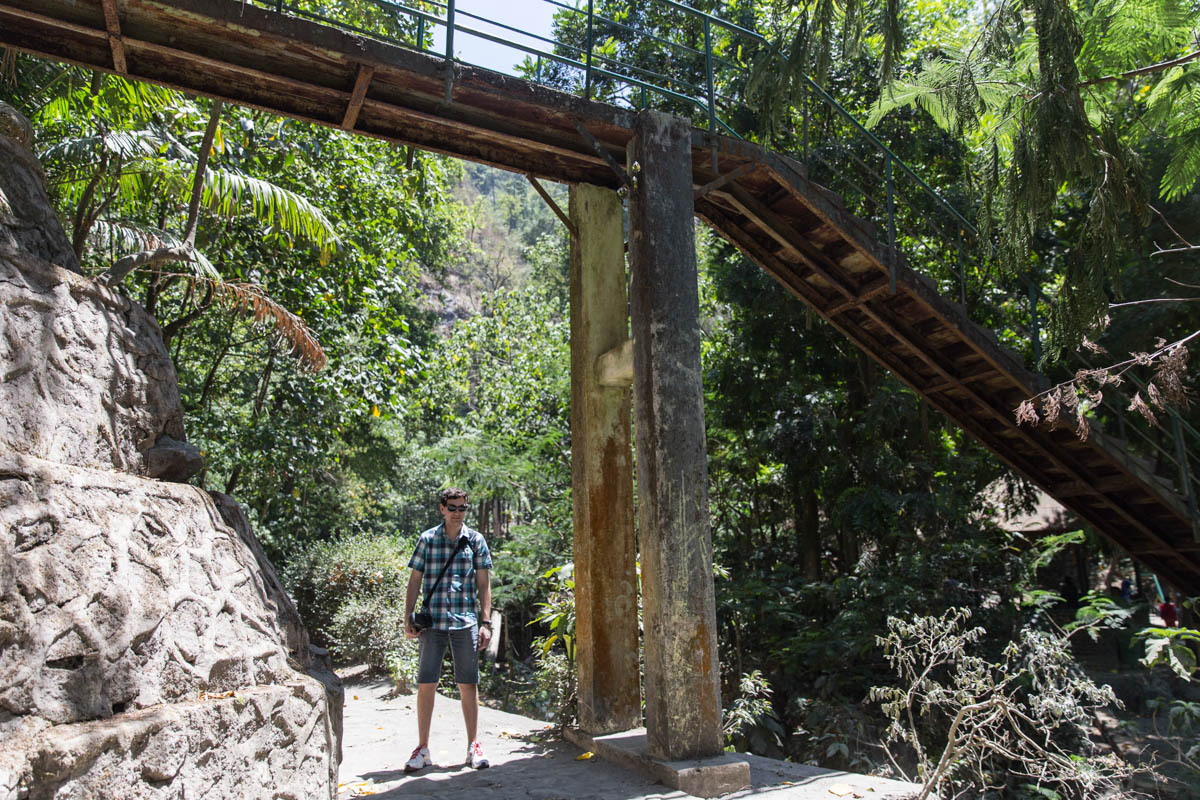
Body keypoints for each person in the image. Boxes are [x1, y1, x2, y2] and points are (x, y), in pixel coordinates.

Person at [403, 488, 494, 772]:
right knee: (426, 683)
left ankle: (473, 746)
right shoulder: (428, 539)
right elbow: (415, 578)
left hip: (465, 621)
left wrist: (486, 622)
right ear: (442, 509)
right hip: (433, 622)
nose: (457, 513)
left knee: (469, 684)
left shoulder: (475, 540)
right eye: (452, 508)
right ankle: (422, 748)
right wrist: (408, 616)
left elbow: (484, 584)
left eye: (462, 508)